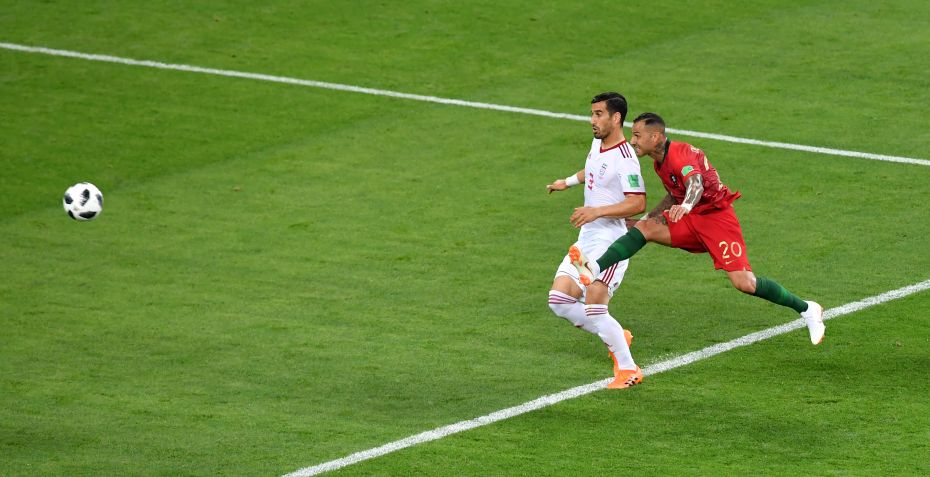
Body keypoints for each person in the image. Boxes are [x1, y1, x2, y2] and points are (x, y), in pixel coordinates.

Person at [569, 112, 826, 346]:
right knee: (645, 229)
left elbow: (695, 183)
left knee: (745, 283)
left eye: (637, 135)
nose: (632, 141)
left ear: (654, 137)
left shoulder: (679, 154)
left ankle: (807, 309)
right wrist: (646, 218)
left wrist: (686, 206)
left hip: (716, 219)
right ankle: (595, 268)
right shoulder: (659, 162)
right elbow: (674, 194)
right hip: (692, 217)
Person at [546, 92, 647, 389]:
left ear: (616, 118)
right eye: (592, 113)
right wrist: (566, 182)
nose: (593, 120)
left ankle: (628, 370)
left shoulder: (626, 159)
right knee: (559, 300)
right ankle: (616, 335)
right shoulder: (598, 143)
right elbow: (592, 170)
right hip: (587, 239)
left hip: (612, 243)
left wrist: (597, 211)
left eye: (599, 114)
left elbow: (638, 202)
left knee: (594, 305)